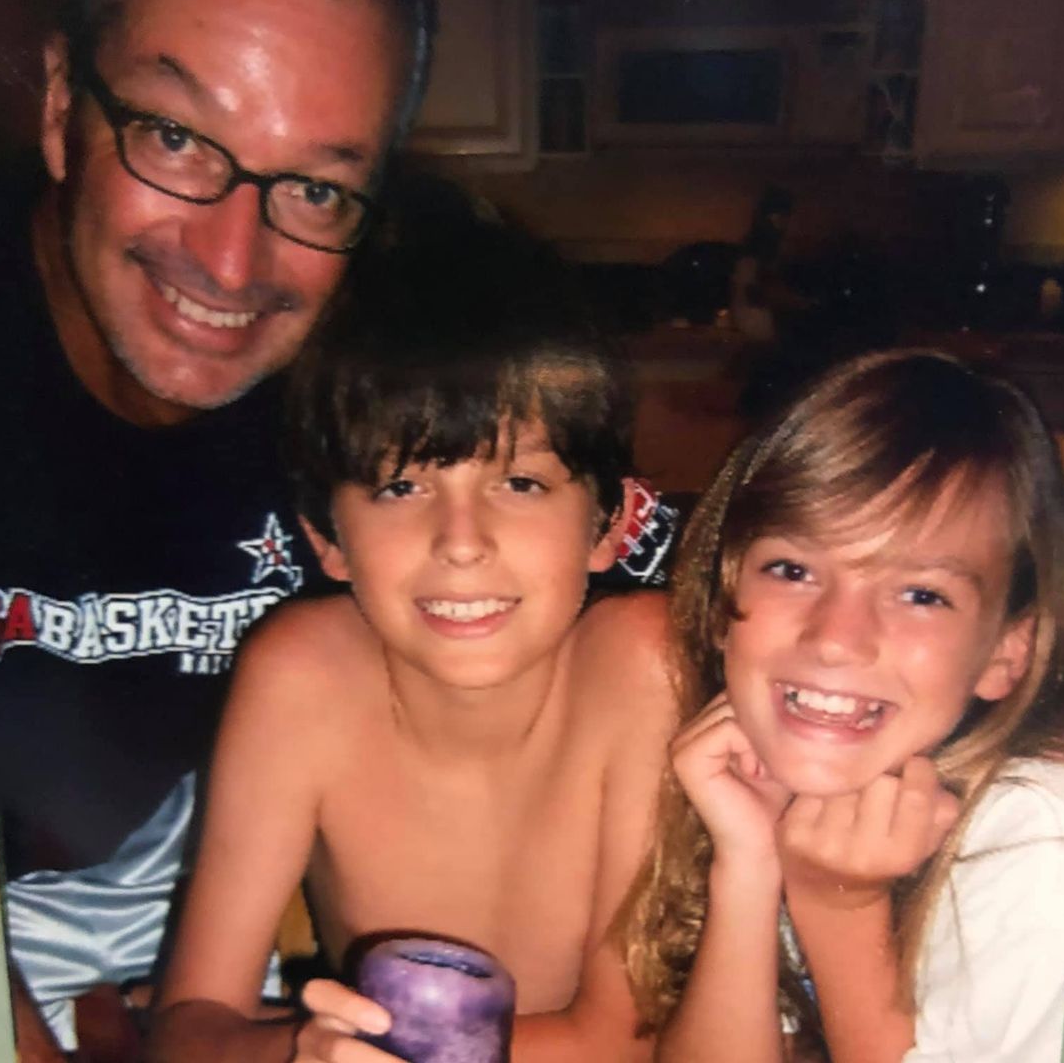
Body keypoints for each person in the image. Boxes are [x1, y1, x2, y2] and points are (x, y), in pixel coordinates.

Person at [0, 0, 435, 1054]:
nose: (233, 263)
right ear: (61, 107)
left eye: (320, 192)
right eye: (179, 138)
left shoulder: (399, 389)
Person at [146, 213, 675, 1063]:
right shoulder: (301, 674)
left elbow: (616, 1039)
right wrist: (299, 1053)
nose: (461, 541)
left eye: (521, 480)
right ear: (326, 538)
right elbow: (188, 1026)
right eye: (399, 487)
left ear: (610, 522)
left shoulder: (639, 661)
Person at [624, 349, 1064, 1062]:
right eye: (792, 570)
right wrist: (749, 863)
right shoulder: (793, 796)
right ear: (719, 603)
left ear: (1005, 654)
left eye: (921, 594)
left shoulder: (1039, 847)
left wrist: (839, 910)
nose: (836, 640)